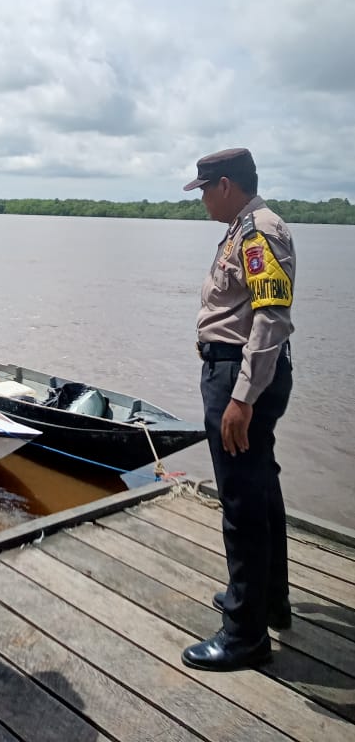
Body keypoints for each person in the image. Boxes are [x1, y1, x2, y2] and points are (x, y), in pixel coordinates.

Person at [180, 148, 295, 672]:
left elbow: (271, 318)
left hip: (238, 377)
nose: (202, 199)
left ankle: (245, 635)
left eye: (204, 189)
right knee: (260, 487)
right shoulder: (245, 228)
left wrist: (242, 398)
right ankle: (265, 600)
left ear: (225, 185)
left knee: (242, 502)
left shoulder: (257, 233)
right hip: (240, 373)